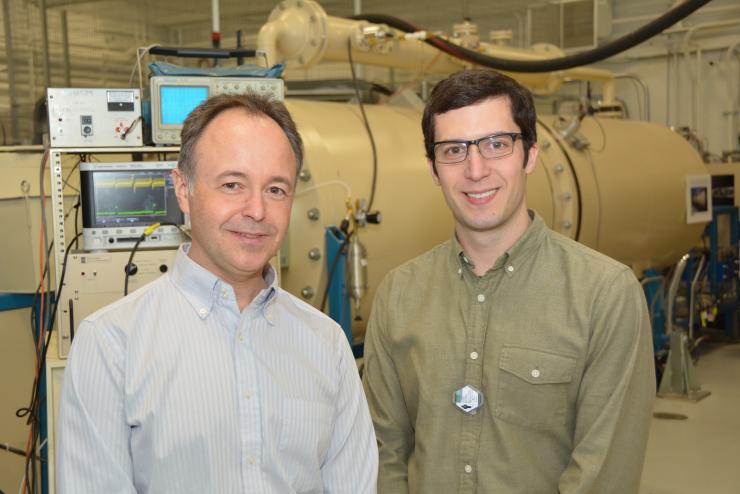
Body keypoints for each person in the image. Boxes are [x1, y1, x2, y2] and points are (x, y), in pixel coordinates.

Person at [56, 93, 378, 493]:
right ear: (182, 189)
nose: (256, 210)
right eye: (232, 184)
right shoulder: (111, 345)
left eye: (276, 189)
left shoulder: (326, 344)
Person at [362, 69, 655, 493]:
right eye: (454, 150)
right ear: (433, 168)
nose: (475, 169)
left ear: (530, 154)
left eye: (496, 144)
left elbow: (603, 474)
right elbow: (384, 450)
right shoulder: (399, 295)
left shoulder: (604, 295)